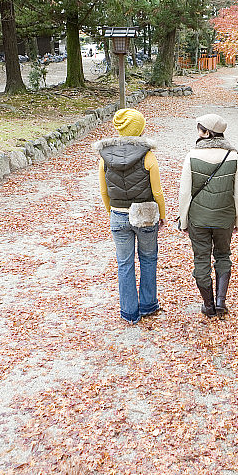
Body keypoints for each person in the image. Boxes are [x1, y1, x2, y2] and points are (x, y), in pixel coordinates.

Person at [95, 108, 165, 324]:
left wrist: (112, 212)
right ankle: (148, 304)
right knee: (148, 258)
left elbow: (104, 191)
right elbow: (157, 191)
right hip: (144, 215)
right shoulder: (148, 155)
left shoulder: (104, 156)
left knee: (124, 263)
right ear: (139, 129)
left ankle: (129, 312)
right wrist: (162, 214)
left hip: (118, 214)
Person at [178, 113, 238, 319]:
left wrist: (183, 220)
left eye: (200, 129)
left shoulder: (192, 156)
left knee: (201, 259)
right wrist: (237, 219)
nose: (197, 133)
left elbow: (184, 193)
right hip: (224, 218)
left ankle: (208, 305)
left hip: (198, 219)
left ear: (207, 133)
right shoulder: (233, 157)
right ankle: (220, 302)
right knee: (223, 256)